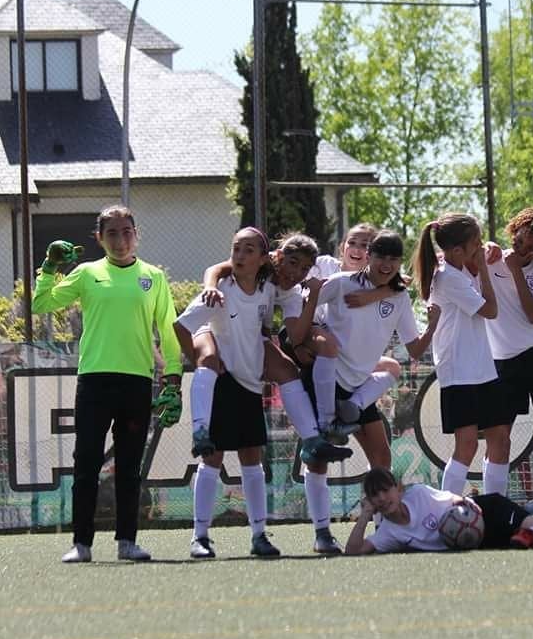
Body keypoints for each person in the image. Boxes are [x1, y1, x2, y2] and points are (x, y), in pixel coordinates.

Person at [32, 205, 182, 563]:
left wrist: (173, 377)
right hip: (94, 383)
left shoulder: (153, 277)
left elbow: (169, 327)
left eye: (126, 231)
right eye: (111, 233)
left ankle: (127, 542)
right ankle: (81, 544)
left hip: (136, 384)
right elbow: (41, 304)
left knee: (129, 468)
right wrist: (49, 268)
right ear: (99, 238)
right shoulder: (86, 273)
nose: (120, 240)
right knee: (85, 463)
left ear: (136, 234)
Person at [306, 231, 440, 552]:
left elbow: (415, 347)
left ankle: (381, 524)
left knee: (382, 457)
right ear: (370, 256)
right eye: (381, 257)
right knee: (317, 459)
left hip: (358, 384)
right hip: (329, 378)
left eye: (394, 259)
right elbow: (304, 308)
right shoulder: (341, 282)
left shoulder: (398, 295)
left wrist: (433, 324)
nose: (387, 264)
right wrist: (313, 333)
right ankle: (322, 533)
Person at [174, 227, 283, 558]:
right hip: (224, 382)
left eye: (249, 250)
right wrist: (200, 359)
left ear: (263, 258)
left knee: (252, 459)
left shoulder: (267, 291)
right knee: (212, 459)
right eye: (236, 248)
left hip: (251, 383)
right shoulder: (219, 289)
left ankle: (259, 536)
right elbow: (181, 326)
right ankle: (200, 537)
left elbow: (263, 327)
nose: (240, 255)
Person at [199, 233, 352, 465]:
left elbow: (296, 334)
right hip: (219, 335)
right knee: (213, 457)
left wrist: (312, 300)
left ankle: (312, 441)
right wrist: (210, 288)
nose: (296, 273)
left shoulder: (292, 291)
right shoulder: (256, 262)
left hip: (249, 340)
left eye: (305, 268)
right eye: (293, 263)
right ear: (278, 256)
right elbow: (217, 269)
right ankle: (199, 429)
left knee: (287, 370)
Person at [411, 212, 509, 495]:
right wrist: (485, 270)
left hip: (481, 367)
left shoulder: (457, 267)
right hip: (459, 371)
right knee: (467, 445)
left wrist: (486, 254)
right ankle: (448, 509)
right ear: (457, 251)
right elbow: (490, 310)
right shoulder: (447, 278)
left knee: (500, 439)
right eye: (475, 243)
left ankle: (495, 506)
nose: (481, 247)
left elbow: (484, 254)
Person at [482, 207, 533, 511]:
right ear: (514, 230)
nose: (524, 249)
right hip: (503, 360)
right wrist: (487, 252)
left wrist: (516, 269)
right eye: (520, 241)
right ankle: (494, 509)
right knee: (498, 439)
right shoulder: (490, 258)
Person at [344, 467, 533, 554]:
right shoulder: (388, 532)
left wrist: (464, 501)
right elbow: (353, 551)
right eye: (374, 495)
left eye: (385, 490)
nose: (382, 498)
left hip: (486, 512)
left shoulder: (419, 494)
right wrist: (365, 516)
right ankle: (527, 536)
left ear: (398, 488)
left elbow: (450, 497)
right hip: (475, 540)